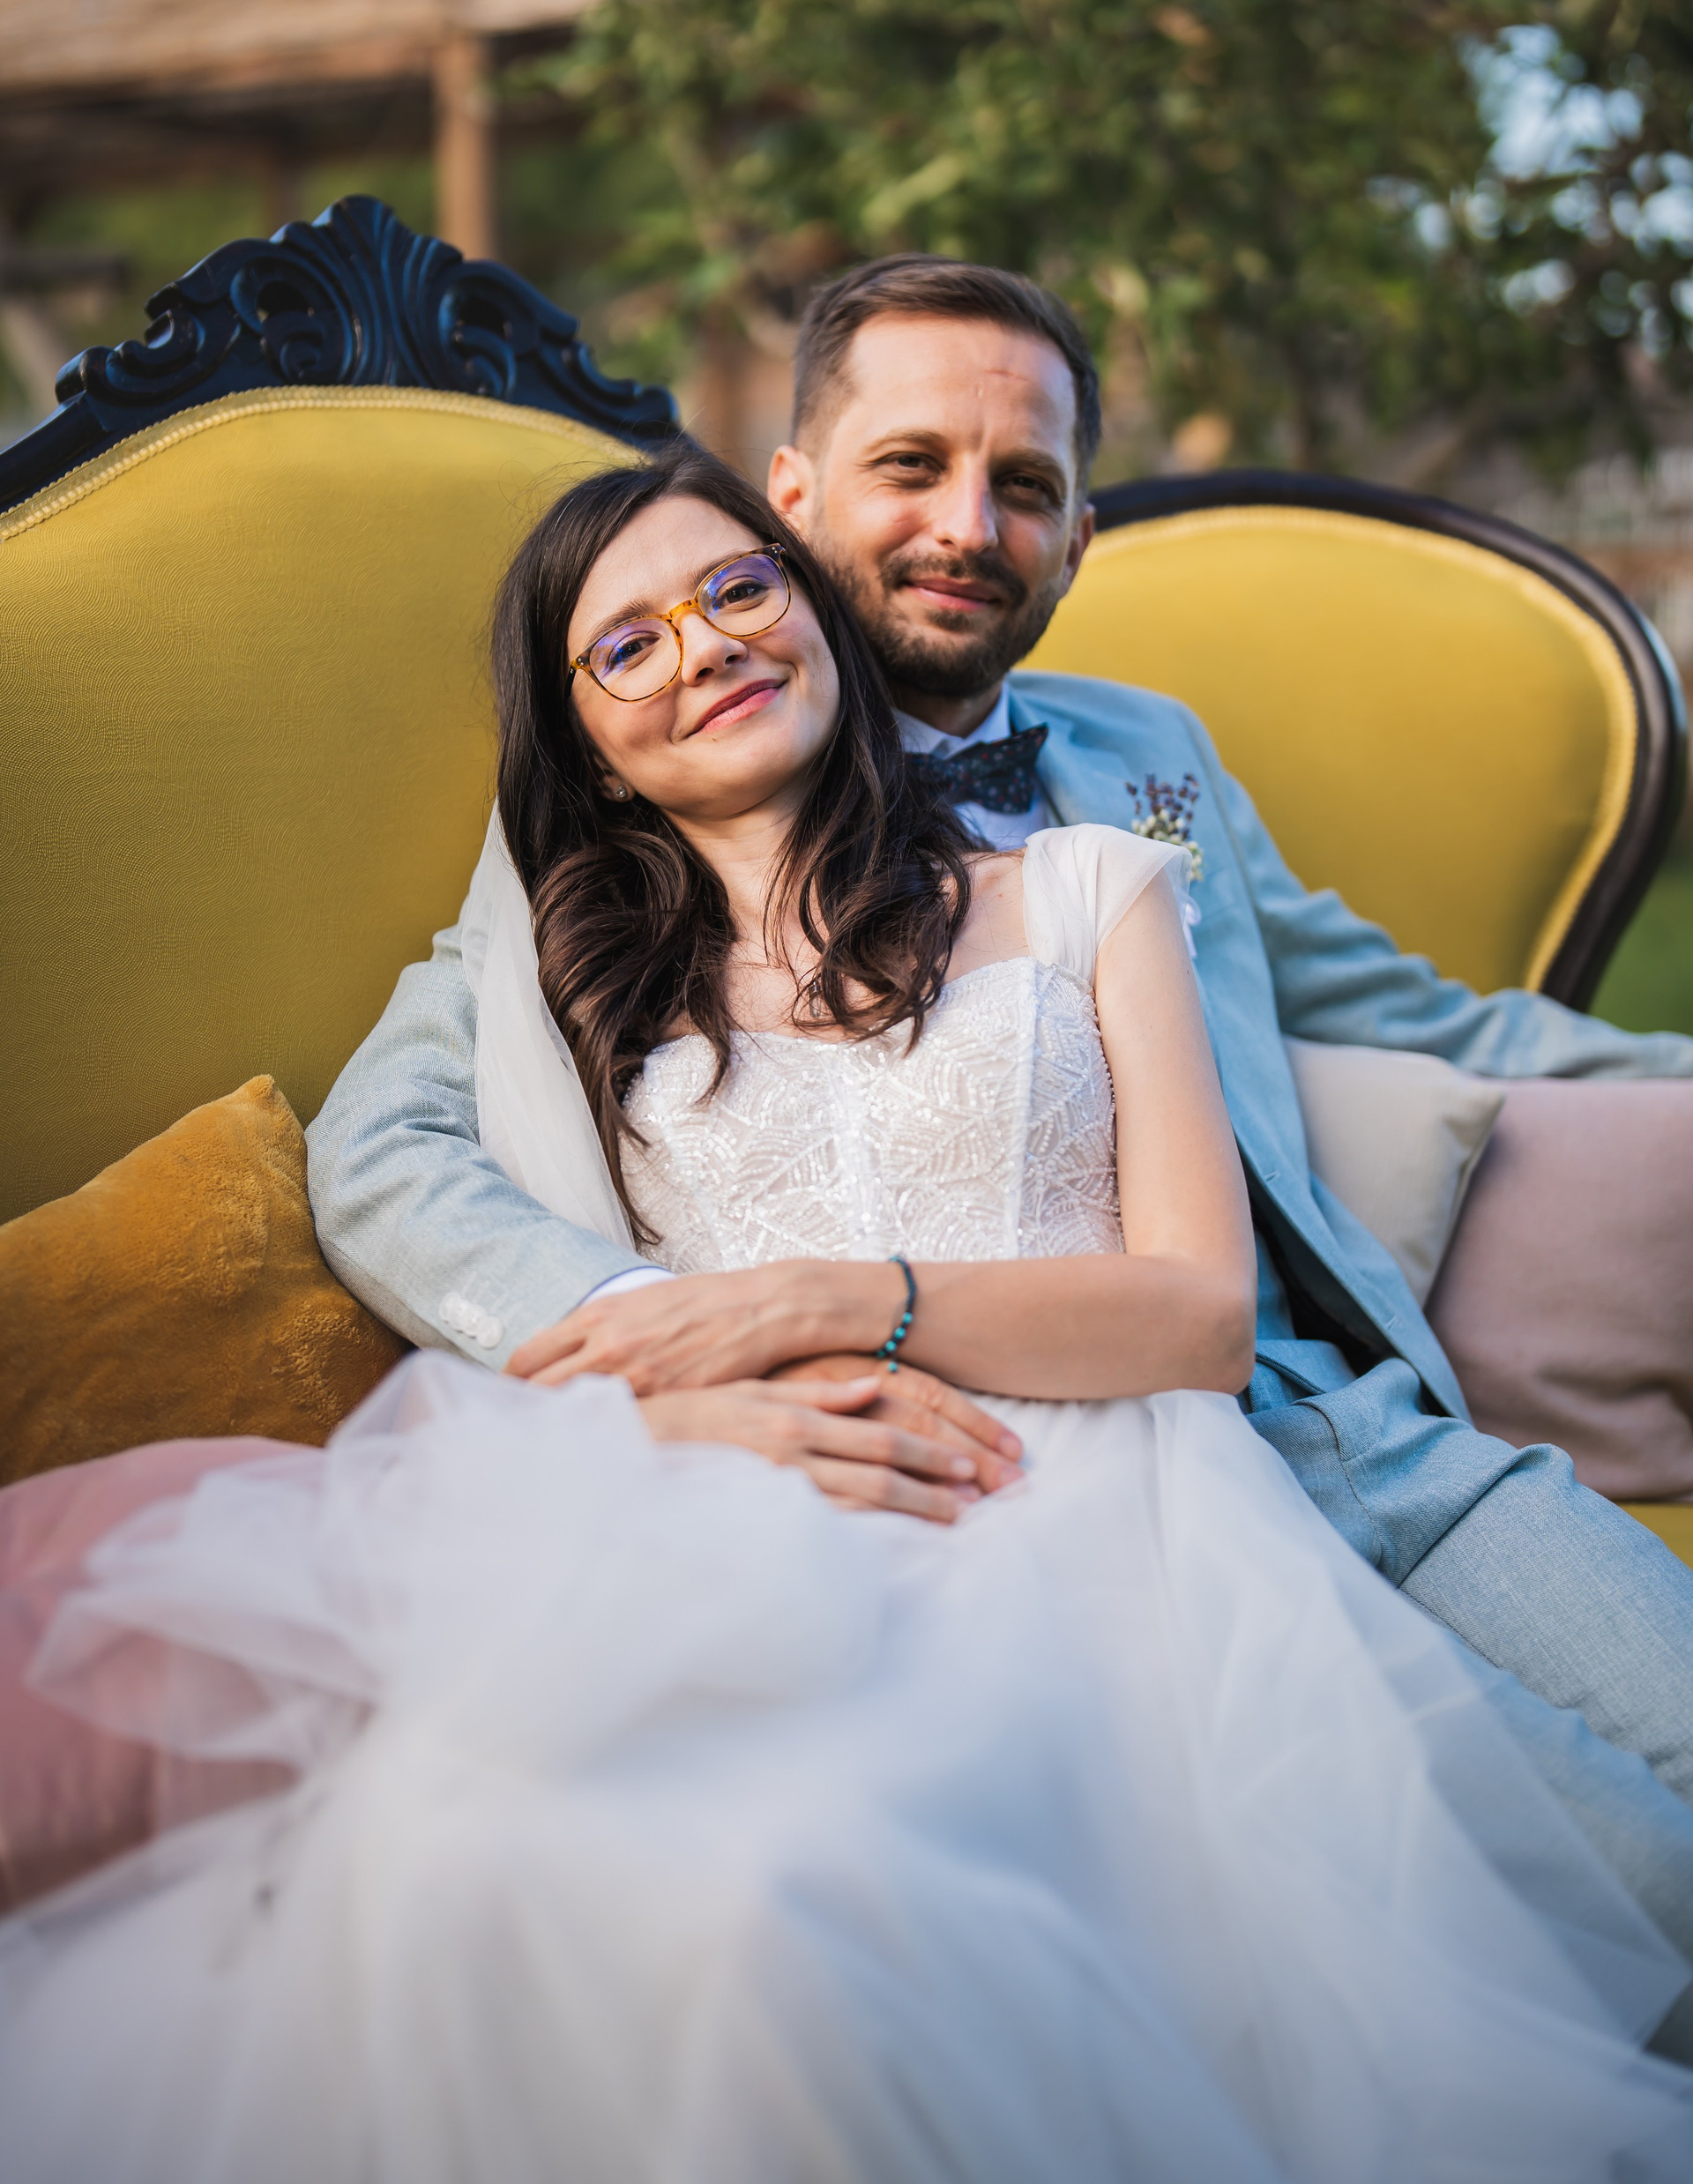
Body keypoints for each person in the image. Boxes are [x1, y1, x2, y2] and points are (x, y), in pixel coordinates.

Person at [6, 446, 1691, 2181]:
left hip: (1201, 1471)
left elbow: (1265, 1215)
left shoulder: (1116, 843)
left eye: (735, 589)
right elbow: (381, 1157)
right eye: (628, 645)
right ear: (594, 743)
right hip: (792, 1519)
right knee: (707, 1911)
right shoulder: (566, 974)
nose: (706, 644)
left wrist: (816, 1301)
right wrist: (649, 1355)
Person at [308, 255, 1693, 2010]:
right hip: (992, 1490)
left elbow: (1416, 1015)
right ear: (793, 498)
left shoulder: (1149, 764)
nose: (969, 525)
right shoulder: (640, 787)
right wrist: (667, 1346)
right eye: (911, 466)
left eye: (1024, 484)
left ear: (1078, 534)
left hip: (1336, 1419)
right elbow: (384, 1146)